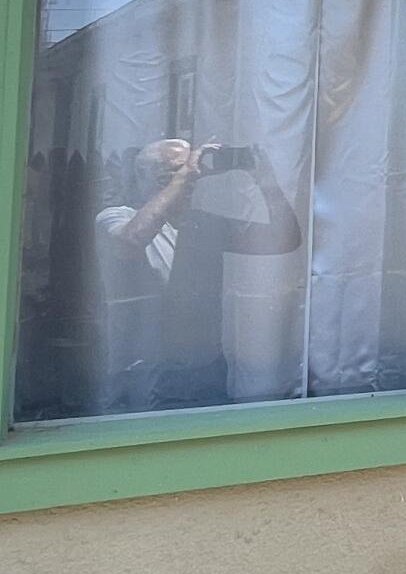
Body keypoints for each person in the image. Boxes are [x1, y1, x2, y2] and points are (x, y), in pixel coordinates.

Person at [92, 136, 302, 410]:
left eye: (193, 170)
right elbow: (131, 240)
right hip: (142, 371)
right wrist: (185, 176)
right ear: (150, 178)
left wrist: (266, 181)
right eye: (176, 171)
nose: (194, 177)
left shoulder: (202, 224)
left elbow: (283, 239)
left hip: (205, 370)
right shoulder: (115, 217)